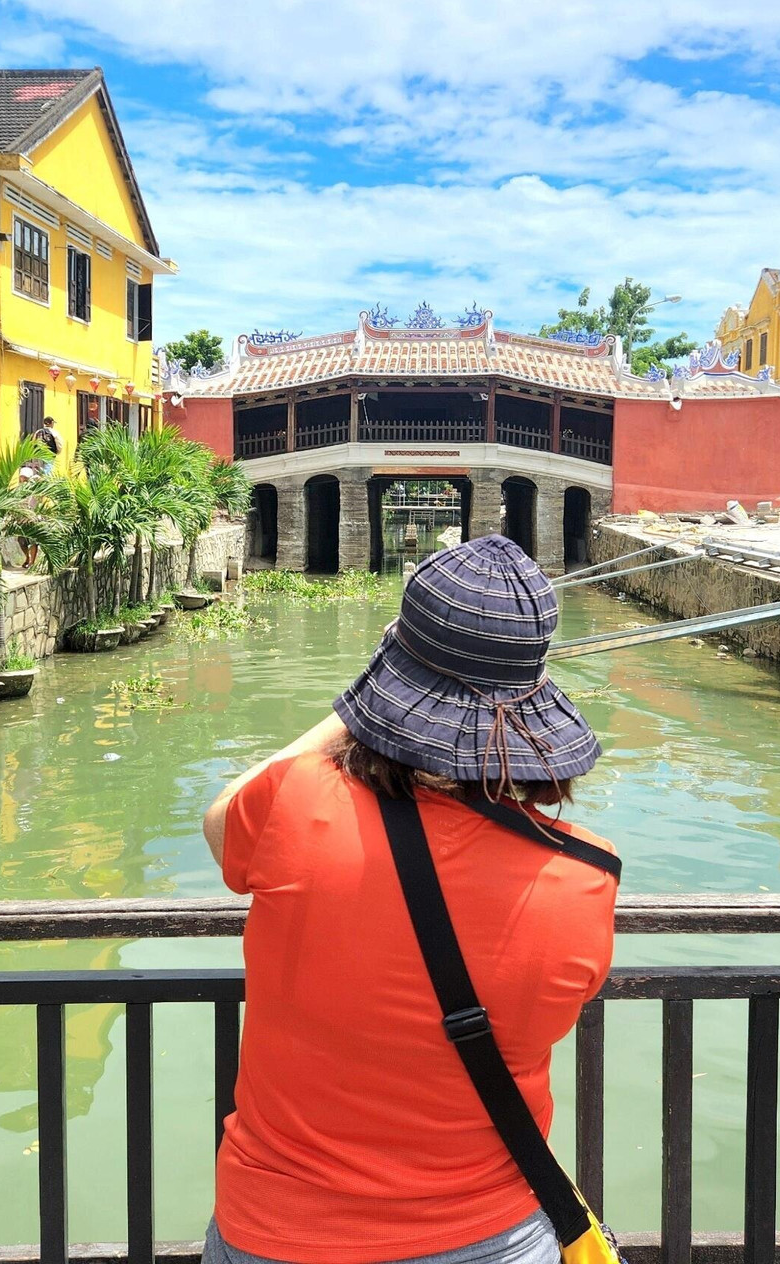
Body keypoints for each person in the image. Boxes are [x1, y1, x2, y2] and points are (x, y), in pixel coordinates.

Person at [202, 536, 616, 1264]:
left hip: (279, 1228)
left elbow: (222, 817)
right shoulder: (583, 876)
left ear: (394, 677)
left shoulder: (295, 803)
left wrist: (366, 700)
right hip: (490, 1235)